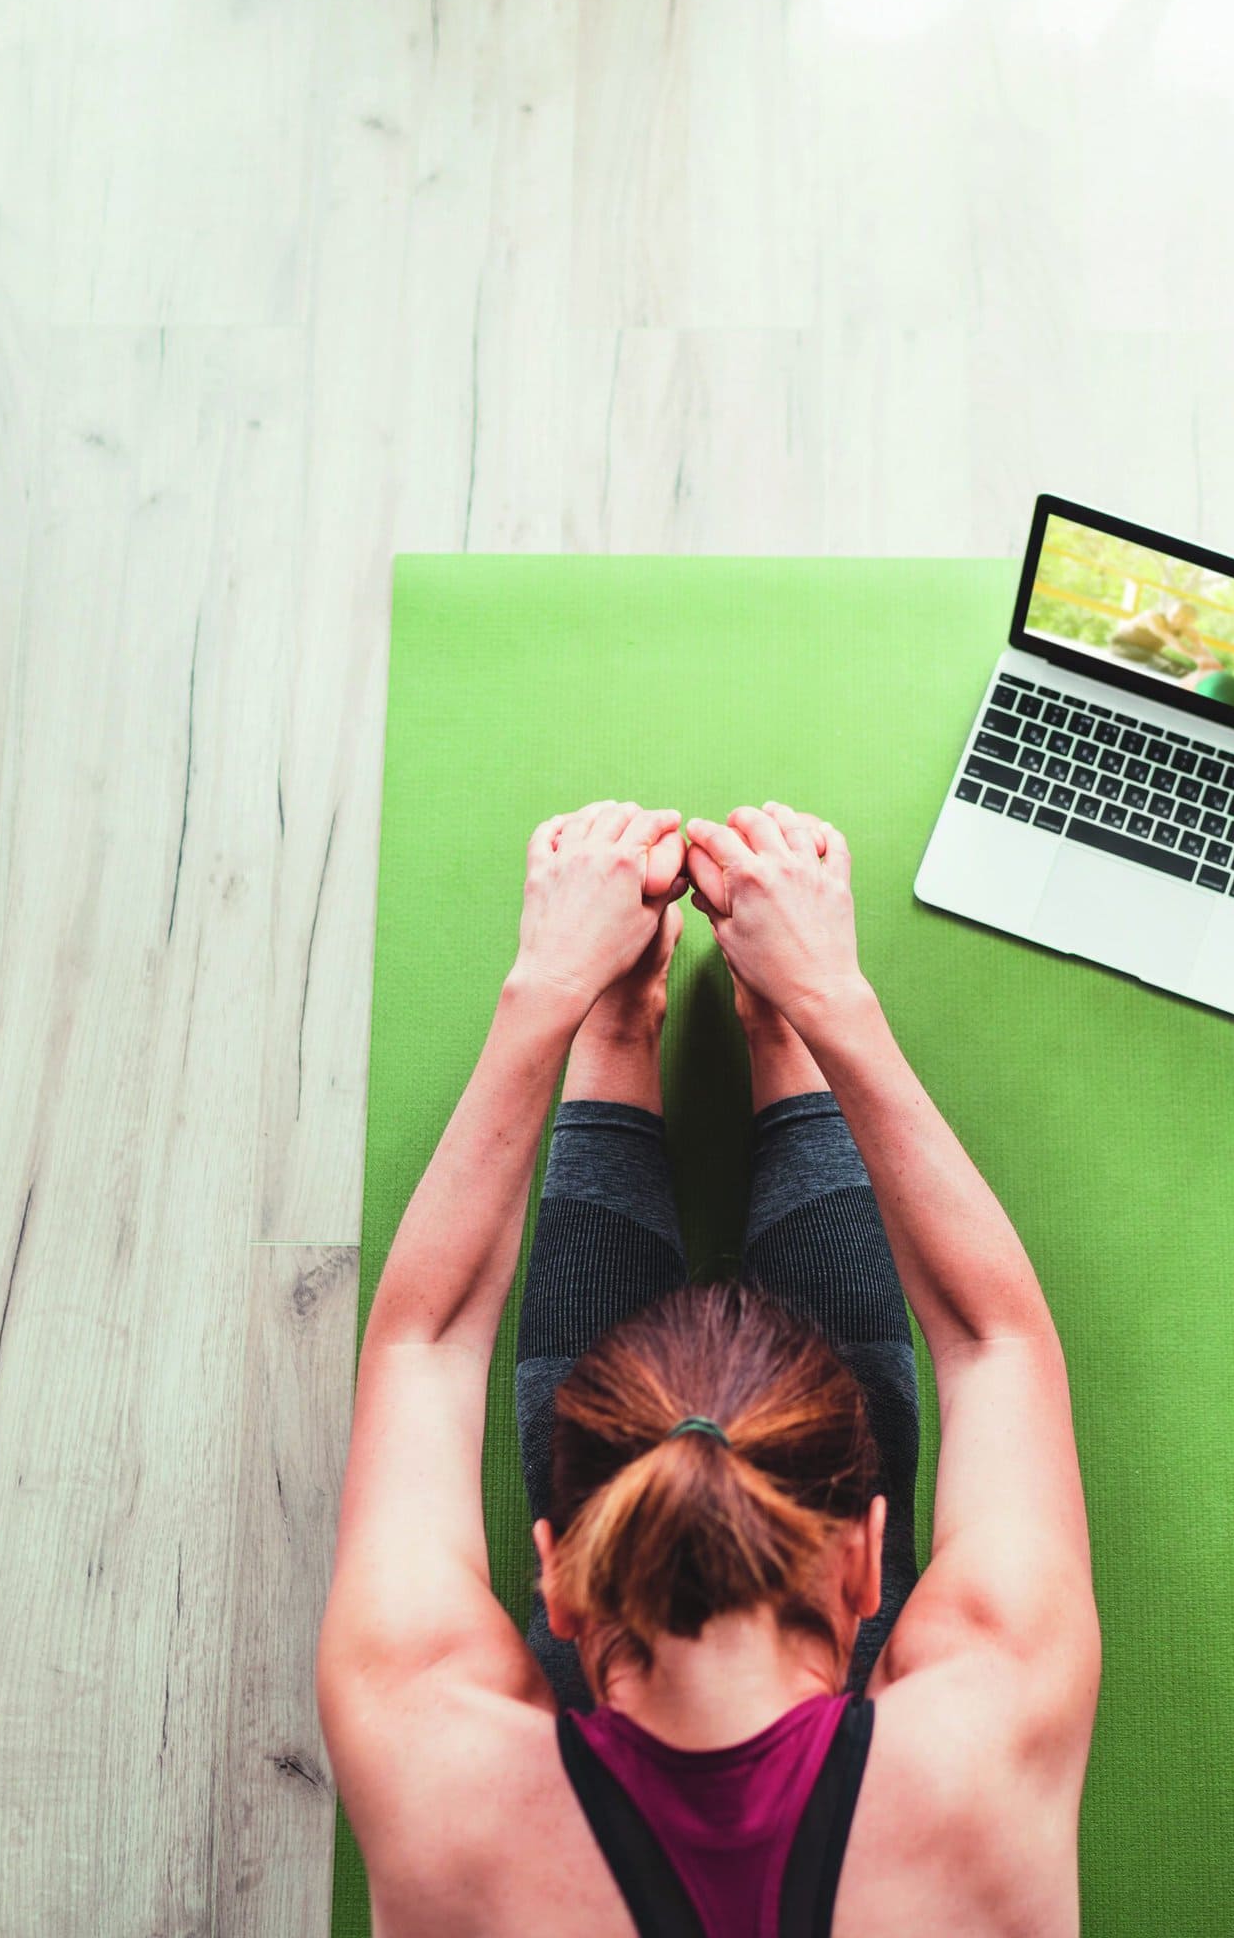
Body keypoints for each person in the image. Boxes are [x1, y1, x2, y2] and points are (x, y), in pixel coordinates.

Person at [317, 800, 1100, 1937]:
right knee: (747, 1485)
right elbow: (994, 1341)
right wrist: (829, 1002)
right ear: (870, 1558)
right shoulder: (980, 1740)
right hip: (851, 1757)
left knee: (686, 1484)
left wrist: (554, 993)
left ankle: (618, 1034)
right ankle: (772, 1036)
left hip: (589, 1742)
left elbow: (425, 1346)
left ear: (559, 1577)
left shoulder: (445, 1776)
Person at [1108, 594, 1214, 676]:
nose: (1178, 621)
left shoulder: (1187, 630)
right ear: (1169, 611)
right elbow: (1169, 639)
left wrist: (1209, 664)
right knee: (1156, 660)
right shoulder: (1153, 617)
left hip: (1149, 652)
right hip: (1122, 646)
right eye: (1176, 615)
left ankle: (1192, 676)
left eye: (1185, 620)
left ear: (1191, 622)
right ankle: (1186, 676)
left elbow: (1201, 648)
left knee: (1174, 663)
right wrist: (1194, 657)